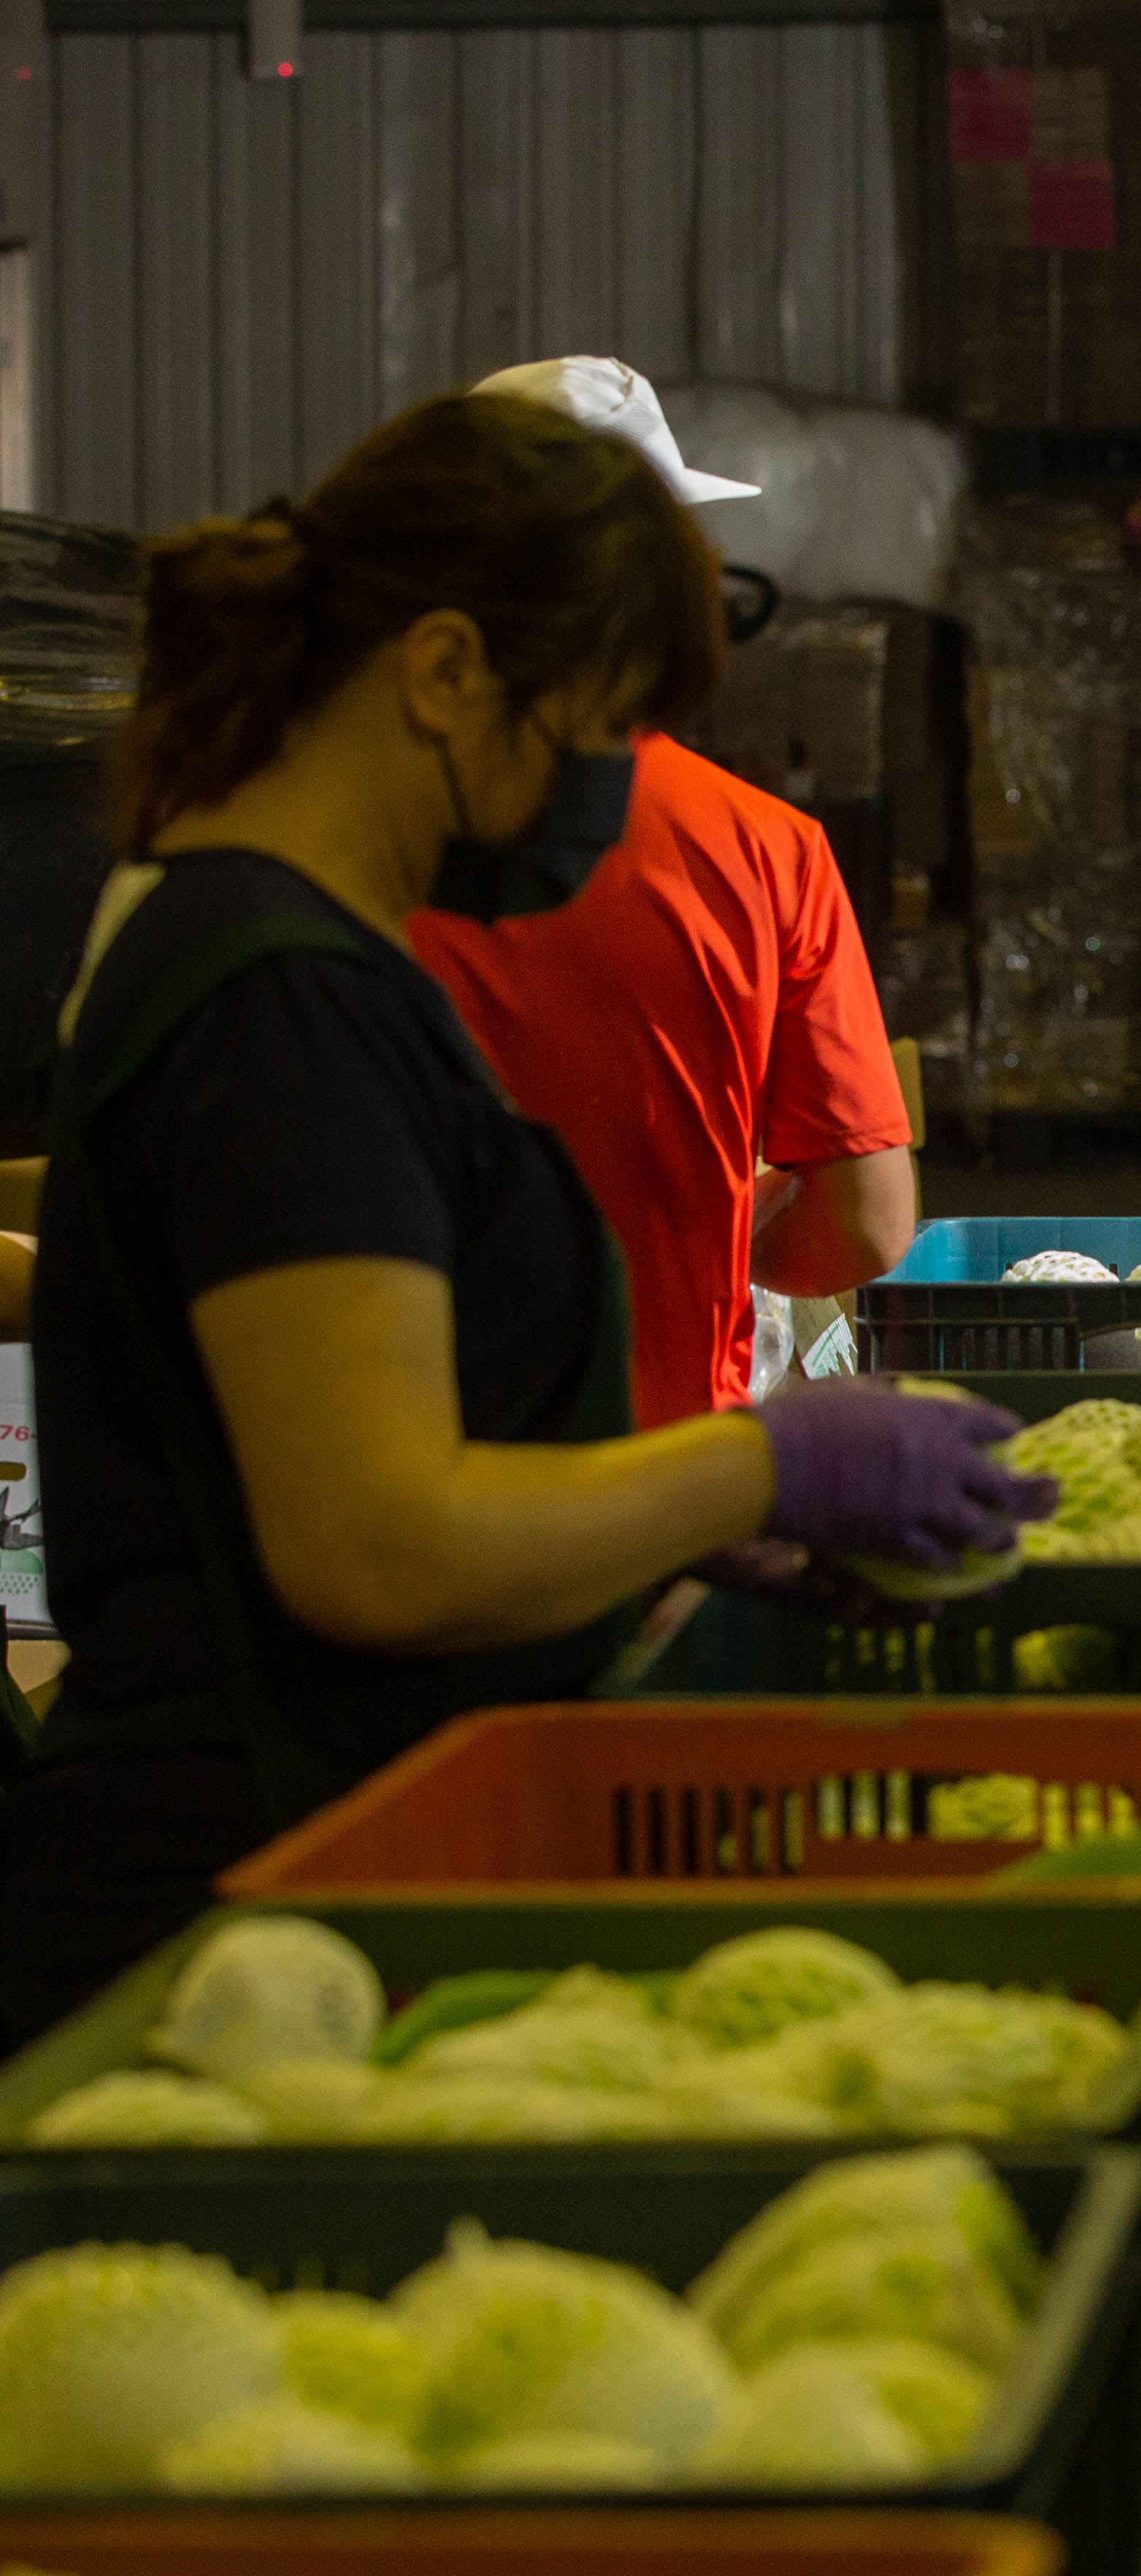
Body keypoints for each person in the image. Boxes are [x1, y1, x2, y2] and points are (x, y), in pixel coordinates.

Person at [8, 393, 1047, 2038]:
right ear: (441, 673)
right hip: (240, 1935)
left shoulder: (306, 961)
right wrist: (756, 1462)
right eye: (599, 725)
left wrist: (672, 1518)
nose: (610, 789)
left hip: (333, 1869)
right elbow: (377, 1546)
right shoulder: (275, 1005)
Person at [410, 357, 915, 1430]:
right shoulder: (766, 848)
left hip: (382, 1468)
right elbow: (866, 1226)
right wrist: (719, 1227)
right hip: (662, 1481)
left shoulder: (351, 825)